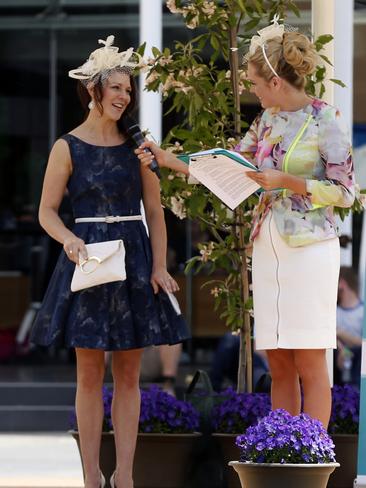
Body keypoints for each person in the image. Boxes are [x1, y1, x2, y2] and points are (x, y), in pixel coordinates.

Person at [135, 17, 355, 428]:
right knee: (278, 357)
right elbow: (229, 166)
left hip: (310, 251)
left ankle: (312, 455)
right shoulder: (267, 121)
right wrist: (169, 159)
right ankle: (282, 448)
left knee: (309, 356)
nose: (250, 89)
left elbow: (345, 191)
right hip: (267, 248)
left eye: (253, 81)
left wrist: (287, 181)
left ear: (274, 80)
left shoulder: (325, 119)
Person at [30, 35, 189, 488]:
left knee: (129, 376)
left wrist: (159, 266)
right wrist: (67, 239)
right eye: (116, 87)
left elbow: (156, 213)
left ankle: (126, 476)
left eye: (128, 89)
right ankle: (89, 477)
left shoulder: (139, 145)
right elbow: (45, 211)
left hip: (134, 259)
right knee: (88, 374)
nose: (125, 96)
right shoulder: (67, 147)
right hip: (88, 261)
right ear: (94, 91)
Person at [335, 266, 363, 385]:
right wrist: (342, 348)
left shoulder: (362, 311)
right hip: (340, 360)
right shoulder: (333, 313)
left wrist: (340, 333)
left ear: (342, 283)